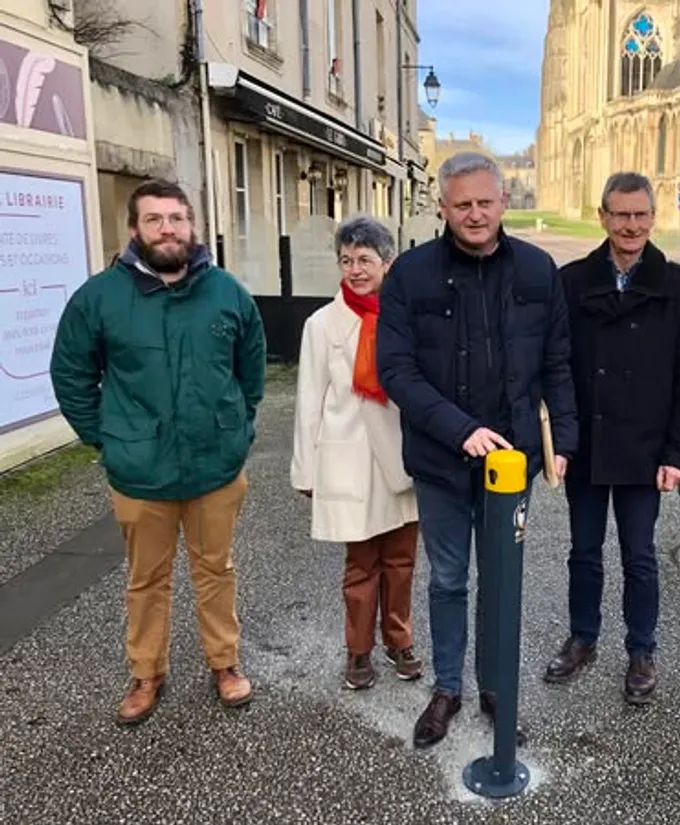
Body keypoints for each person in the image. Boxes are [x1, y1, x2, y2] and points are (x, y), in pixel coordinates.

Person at [376, 151, 578, 749]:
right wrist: (458, 428)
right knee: (446, 579)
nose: (474, 213)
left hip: (511, 461)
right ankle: (447, 688)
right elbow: (395, 369)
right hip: (442, 460)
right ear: (442, 207)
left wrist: (562, 437)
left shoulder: (540, 272)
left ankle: (495, 687)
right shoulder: (410, 274)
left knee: (500, 579)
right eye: (461, 204)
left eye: (484, 202)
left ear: (502, 203)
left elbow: (558, 364)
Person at [49, 178, 266, 724]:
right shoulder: (99, 299)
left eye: (176, 218)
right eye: (154, 219)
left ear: (191, 225)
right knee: (146, 578)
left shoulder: (227, 293)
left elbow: (252, 369)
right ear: (134, 230)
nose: (167, 229)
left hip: (215, 466)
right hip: (140, 471)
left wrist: (238, 430)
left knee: (216, 569)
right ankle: (146, 672)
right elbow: (72, 373)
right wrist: (106, 439)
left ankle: (224, 663)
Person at [542, 172, 680, 705]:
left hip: (645, 447)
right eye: (620, 214)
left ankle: (641, 649)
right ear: (603, 216)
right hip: (588, 442)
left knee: (640, 555)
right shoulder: (570, 281)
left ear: (653, 218)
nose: (630, 225)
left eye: (640, 215)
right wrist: (561, 442)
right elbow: (557, 366)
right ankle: (583, 637)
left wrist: (678, 454)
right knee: (584, 552)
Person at [291, 215, 422, 691]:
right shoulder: (321, 325)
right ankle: (359, 650)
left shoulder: (406, 317)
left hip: (402, 458)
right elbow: (308, 401)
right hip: (348, 460)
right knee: (361, 564)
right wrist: (306, 469)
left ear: (387, 263)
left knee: (402, 561)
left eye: (365, 259)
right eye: (346, 260)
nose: (355, 269)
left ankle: (399, 639)